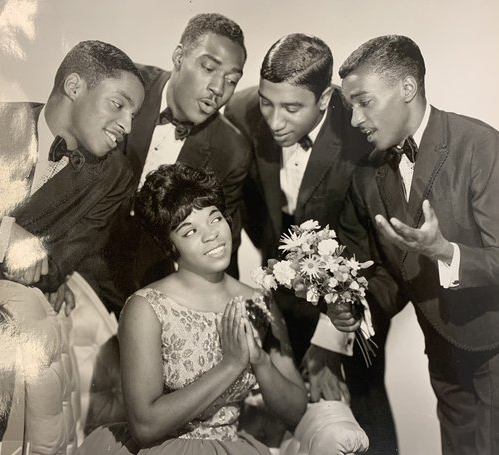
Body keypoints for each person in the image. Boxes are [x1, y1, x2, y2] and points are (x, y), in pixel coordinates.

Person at [225, 33, 397, 454]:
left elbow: (375, 256)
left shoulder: (360, 133)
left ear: (324, 99)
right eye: (268, 102)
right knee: (286, 418)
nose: (274, 120)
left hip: (352, 297)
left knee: (362, 406)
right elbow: (245, 208)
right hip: (281, 290)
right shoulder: (244, 111)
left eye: (291, 108)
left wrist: (333, 342)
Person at [330, 35, 499, 455]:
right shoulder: (367, 176)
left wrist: (445, 252)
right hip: (444, 356)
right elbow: (392, 272)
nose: (354, 120)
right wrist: (357, 307)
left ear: (407, 88)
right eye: (351, 106)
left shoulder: (479, 145)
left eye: (364, 102)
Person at [78, 162, 308, 454]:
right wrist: (231, 365)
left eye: (214, 218)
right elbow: (145, 426)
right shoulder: (146, 308)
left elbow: (296, 411)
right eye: (189, 231)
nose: (211, 235)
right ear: (169, 246)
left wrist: (260, 361)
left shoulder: (260, 302)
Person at [104, 13, 250, 311]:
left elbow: (220, 248)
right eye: (209, 68)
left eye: (231, 80)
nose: (218, 88)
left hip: (150, 289)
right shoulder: (123, 86)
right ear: (179, 56)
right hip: (75, 266)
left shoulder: (232, 151)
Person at [0, 40, 145, 313]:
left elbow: (56, 269)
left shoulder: (115, 176)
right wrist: (5, 233)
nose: (127, 126)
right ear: (74, 87)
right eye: (117, 105)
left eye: (133, 116)